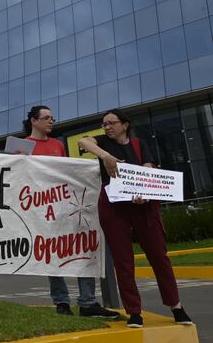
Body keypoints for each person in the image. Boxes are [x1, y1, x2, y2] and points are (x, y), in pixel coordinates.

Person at [78, 109, 193, 328]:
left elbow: (148, 170)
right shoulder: (103, 142)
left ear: (125, 124)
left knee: (159, 257)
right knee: (123, 261)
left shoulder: (140, 144)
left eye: (112, 123)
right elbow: (85, 142)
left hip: (143, 206)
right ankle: (134, 312)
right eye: (104, 124)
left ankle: (176, 306)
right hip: (114, 208)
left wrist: (144, 193)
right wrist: (106, 156)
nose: (107, 127)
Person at [23, 106, 119, 319]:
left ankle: (88, 301)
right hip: (41, 208)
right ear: (33, 121)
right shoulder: (22, 147)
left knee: (83, 247)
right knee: (51, 253)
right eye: (46, 118)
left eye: (52, 118)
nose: (51, 121)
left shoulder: (57, 145)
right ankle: (61, 301)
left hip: (67, 205)